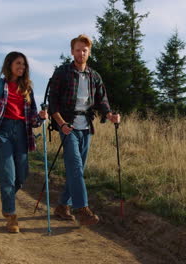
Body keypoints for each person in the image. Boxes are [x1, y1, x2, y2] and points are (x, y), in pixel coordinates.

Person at [48, 34, 120, 225]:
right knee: (76, 168)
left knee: (76, 170)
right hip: (67, 126)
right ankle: (82, 209)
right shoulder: (62, 73)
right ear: (72, 51)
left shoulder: (94, 76)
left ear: (89, 52)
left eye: (84, 50)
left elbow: (102, 101)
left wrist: (110, 115)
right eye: (78, 50)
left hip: (86, 127)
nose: (81, 53)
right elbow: (52, 102)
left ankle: (63, 205)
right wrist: (61, 123)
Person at [0, 51, 48, 233]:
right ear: (9, 64)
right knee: (8, 176)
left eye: (24, 65)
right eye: (18, 63)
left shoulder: (27, 89)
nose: (22, 67)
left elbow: (33, 119)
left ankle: (6, 197)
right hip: (2, 133)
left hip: (22, 133)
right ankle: (11, 215)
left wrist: (41, 117)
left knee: (22, 176)